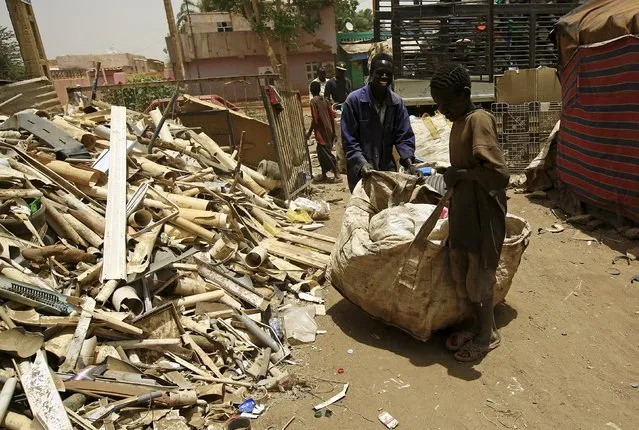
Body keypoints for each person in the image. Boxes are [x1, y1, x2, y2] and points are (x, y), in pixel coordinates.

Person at [430, 63, 509, 362]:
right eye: (439, 105)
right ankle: (478, 327)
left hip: (483, 213)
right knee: (464, 272)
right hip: (464, 210)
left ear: (465, 94)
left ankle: (488, 335)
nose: (443, 110)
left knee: (480, 276)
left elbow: (500, 174)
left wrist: (460, 175)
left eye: (447, 103)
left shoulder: (479, 120)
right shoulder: (459, 121)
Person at [340, 53, 417, 192]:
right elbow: (350, 142)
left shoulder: (397, 103)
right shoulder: (354, 101)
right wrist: (363, 164)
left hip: (387, 172)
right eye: (380, 73)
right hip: (361, 174)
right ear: (371, 73)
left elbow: (404, 137)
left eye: (388, 74)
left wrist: (409, 164)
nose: (384, 77)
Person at [306, 81, 340, 182]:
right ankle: (324, 174)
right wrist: (333, 131)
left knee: (326, 154)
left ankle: (337, 174)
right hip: (329, 130)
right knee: (321, 153)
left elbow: (315, 119)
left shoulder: (313, 101)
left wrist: (309, 132)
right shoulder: (325, 100)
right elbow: (332, 115)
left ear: (312, 90)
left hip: (321, 132)